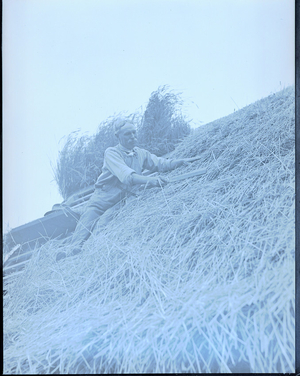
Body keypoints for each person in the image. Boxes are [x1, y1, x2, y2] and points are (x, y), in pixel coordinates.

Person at [56, 118, 198, 261]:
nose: (132, 137)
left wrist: (177, 162)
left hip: (123, 197)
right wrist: (151, 180)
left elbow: (159, 163)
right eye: (127, 134)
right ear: (118, 136)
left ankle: (91, 254)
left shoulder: (140, 153)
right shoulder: (112, 153)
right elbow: (127, 176)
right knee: (87, 221)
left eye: (134, 133)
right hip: (104, 196)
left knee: (104, 224)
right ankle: (70, 251)